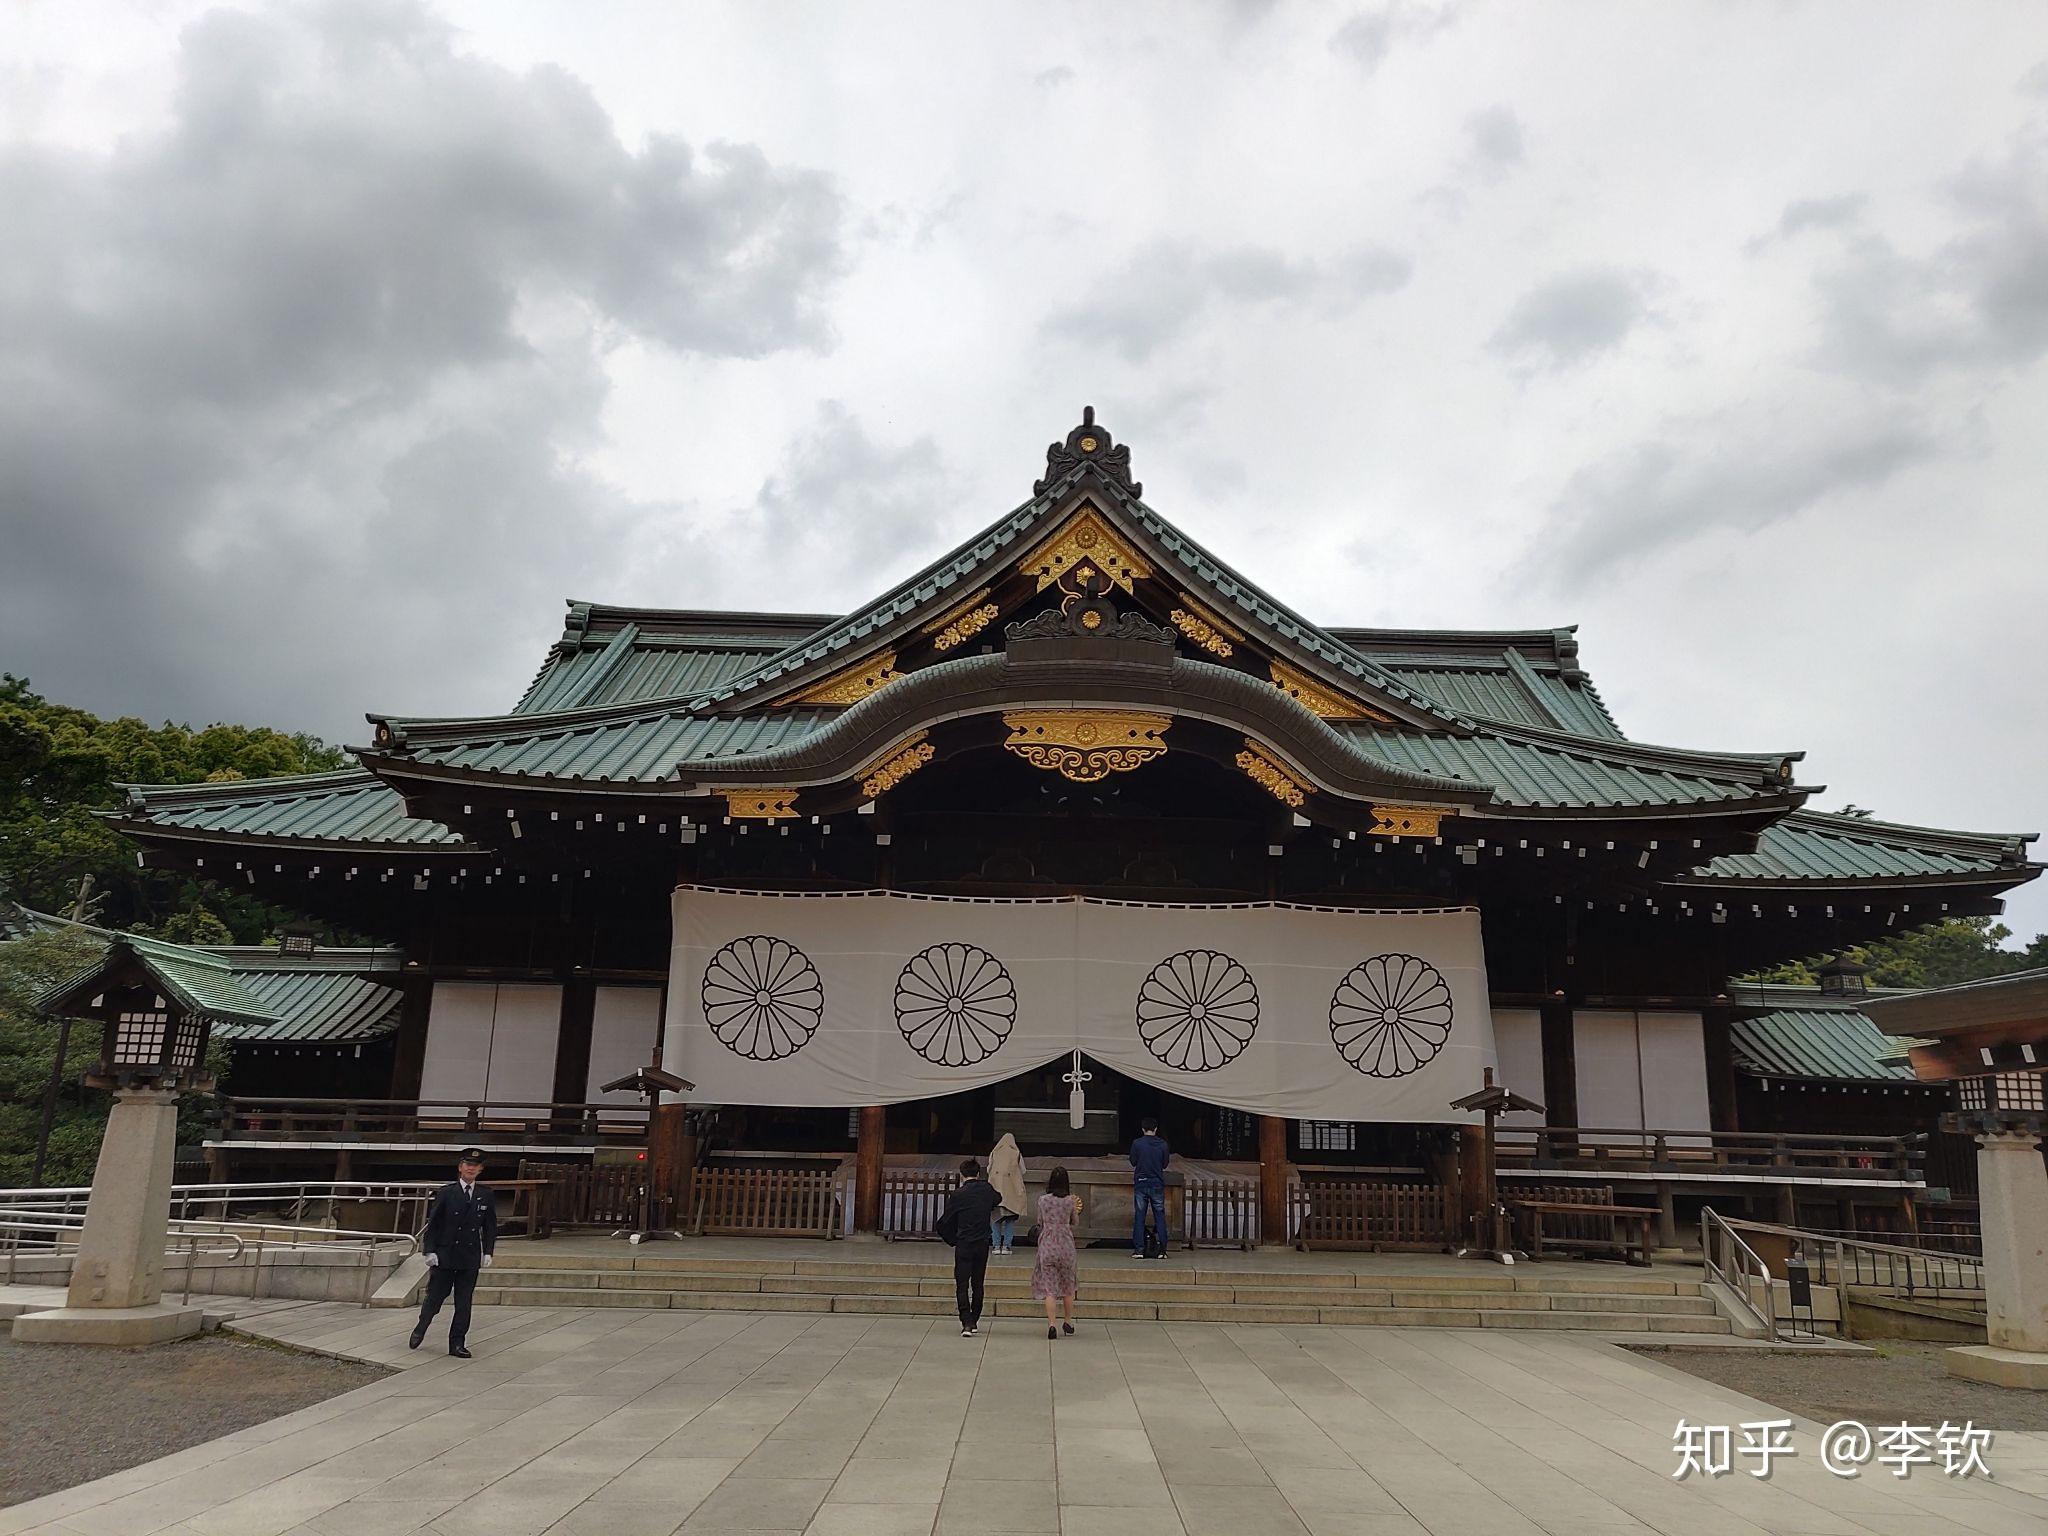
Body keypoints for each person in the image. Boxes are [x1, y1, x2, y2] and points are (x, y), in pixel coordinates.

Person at [410, 1148, 497, 1357]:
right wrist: (429, 1250)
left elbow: (490, 1226)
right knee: (435, 1298)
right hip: (446, 1253)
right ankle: (421, 1326)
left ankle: (457, 1342)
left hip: (469, 1255)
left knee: (464, 1302)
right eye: (467, 1164)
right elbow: (435, 1223)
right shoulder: (447, 1192)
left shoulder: (485, 1194)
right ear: (460, 1167)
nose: (471, 1168)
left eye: (475, 1166)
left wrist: (488, 1251)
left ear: (480, 1169)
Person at [934, 1157, 1002, 1336]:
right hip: (982, 1241)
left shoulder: (958, 1194)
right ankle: (975, 1317)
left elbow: (944, 1222)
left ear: (962, 1175)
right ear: (978, 1174)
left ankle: (966, 1320)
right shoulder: (987, 1189)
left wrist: (953, 1239)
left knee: (962, 1283)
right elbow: (998, 1198)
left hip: (964, 1242)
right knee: (978, 1282)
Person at [1032, 1165, 1079, 1338]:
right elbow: (1075, 1221)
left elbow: (1040, 1221)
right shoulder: (1070, 1201)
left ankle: (1052, 1324)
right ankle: (1067, 1321)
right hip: (1066, 1245)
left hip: (1048, 1244)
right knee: (1068, 1287)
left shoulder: (1043, 1200)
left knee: (1050, 1289)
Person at [1129, 1116, 1171, 1259]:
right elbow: (1165, 1164)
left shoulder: (1137, 1144)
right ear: (1156, 1129)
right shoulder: (1163, 1145)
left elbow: (1133, 1162)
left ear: (1142, 1129)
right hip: (1157, 1183)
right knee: (1159, 1216)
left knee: (1139, 1217)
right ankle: (1162, 1250)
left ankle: (1139, 1249)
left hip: (1141, 1182)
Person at [987, 1133, 1028, 1256]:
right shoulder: (1016, 1153)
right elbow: (1023, 1170)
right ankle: (1007, 1246)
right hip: (1012, 1192)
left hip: (996, 1190)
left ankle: (995, 1245)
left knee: (995, 1220)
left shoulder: (995, 1152)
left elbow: (989, 1169)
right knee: (1010, 1221)